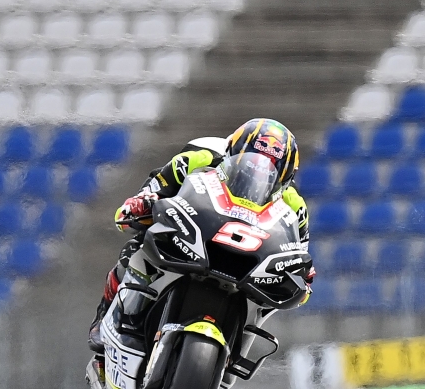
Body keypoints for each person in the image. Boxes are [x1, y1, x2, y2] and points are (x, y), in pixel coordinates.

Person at [87, 118, 314, 353]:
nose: (256, 174)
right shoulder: (198, 159)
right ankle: (105, 315)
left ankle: (234, 352)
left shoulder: (294, 205)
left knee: (268, 302)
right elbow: (154, 188)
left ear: (285, 178)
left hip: (248, 264)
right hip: (193, 238)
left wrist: (303, 275)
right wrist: (140, 204)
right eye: (249, 163)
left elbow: (298, 252)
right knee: (138, 245)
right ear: (232, 152)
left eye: (270, 171)